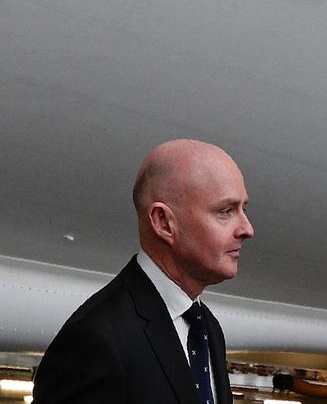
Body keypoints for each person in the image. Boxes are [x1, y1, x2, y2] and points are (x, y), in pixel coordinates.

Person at [33, 139, 254, 404]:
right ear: (163, 222)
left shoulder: (206, 326)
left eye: (244, 209)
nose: (247, 229)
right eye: (226, 211)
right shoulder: (96, 339)